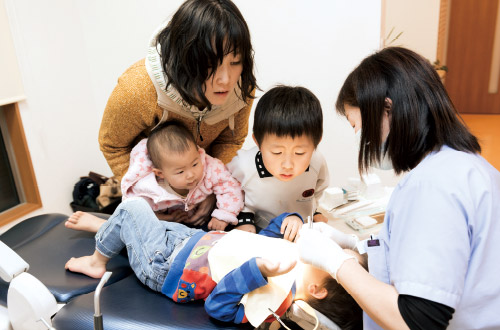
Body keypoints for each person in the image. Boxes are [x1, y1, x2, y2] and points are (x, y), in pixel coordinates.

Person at [297, 47, 500, 330]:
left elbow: (416, 319)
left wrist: (336, 263)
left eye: (359, 126)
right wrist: (354, 248)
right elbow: (434, 266)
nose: (361, 139)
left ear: (388, 109)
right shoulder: (464, 166)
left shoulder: (433, 186)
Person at [65, 198, 362, 329]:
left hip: (167, 267)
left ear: (317, 289)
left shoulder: (271, 306)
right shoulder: (291, 259)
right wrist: (290, 221)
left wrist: (258, 269)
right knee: (156, 225)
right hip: (195, 242)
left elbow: (219, 308)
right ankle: (111, 230)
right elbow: (266, 235)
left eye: (333, 257)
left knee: (133, 208)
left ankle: (96, 259)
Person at [98, 0, 257, 226]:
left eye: (235, 62)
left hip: (206, 199)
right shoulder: (138, 89)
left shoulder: (242, 88)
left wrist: (209, 191)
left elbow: (231, 140)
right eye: (211, 65)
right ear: (185, 59)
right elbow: (112, 145)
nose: (226, 79)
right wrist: (151, 199)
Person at [66, 121, 245, 232]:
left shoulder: (210, 168)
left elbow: (231, 187)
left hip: (199, 221)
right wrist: (168, 219)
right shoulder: (149, 190)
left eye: (195, 163)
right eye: (180, 171)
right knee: (138, 232)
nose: (191, 175)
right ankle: (103, 227)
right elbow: (139, 214)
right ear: (161, 174)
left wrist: (223, 215)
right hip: (164, 223)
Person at [227, 85, 330, 236]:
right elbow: (225, 190)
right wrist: (245, 220)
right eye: (277, 152)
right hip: (260, 228)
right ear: (257, 142)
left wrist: (314, 211)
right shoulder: (243, 165)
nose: (288, 165)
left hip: (299, 230)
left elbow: (318, 189)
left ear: (316, 143)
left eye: (300, 153)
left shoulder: (317, 161)